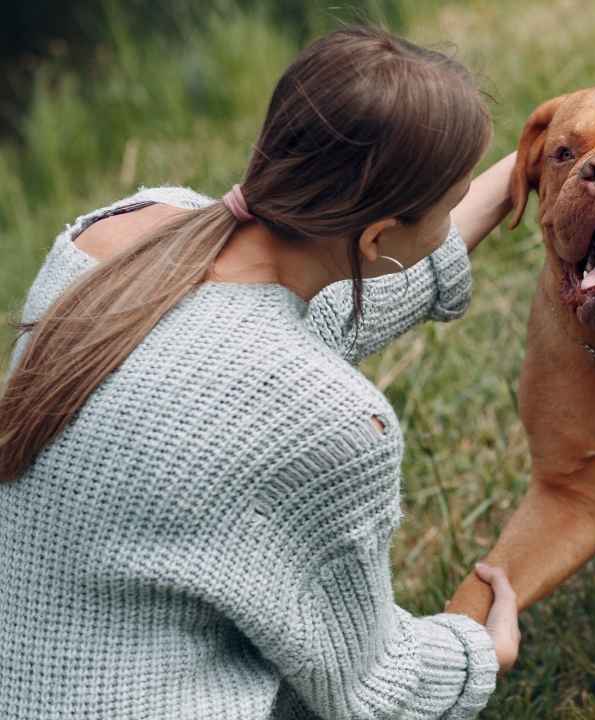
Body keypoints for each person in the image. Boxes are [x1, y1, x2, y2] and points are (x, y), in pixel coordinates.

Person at [0, 26, 519, 720]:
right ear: (377, 236)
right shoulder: (326, 419)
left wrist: (528, 168)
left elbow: (305, 314)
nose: (453, 216)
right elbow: (371, 685)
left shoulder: (118, 234)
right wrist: (480, 649)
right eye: (447, 206)